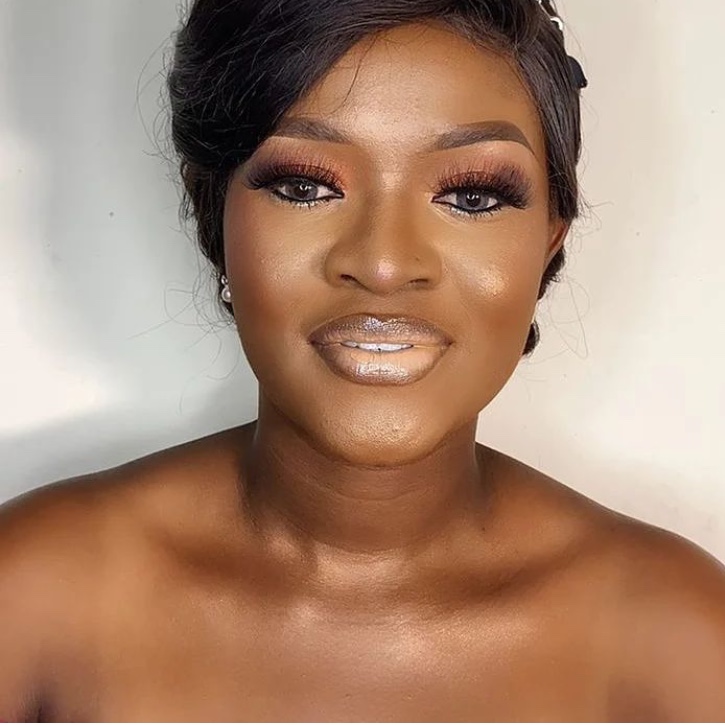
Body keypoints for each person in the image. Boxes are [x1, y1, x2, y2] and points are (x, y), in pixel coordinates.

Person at [2, 0, 724, 721]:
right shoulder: (34, 596)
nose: (383, 264)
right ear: (212, 210)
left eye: (471, 195)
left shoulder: (679, 638)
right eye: (305, 186)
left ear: (549, 239)